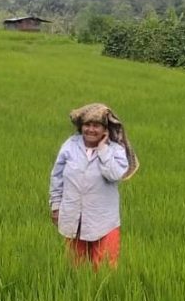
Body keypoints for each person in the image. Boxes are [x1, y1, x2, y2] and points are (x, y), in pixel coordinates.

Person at [49, 103, 138, 270]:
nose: (91, 129)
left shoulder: (115, 150)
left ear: (105, 129)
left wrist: (102, 149)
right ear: (81, 127)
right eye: (87, 125)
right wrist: (55, 207)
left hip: (104, 221)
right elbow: (57, 177)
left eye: (96, 125)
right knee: (75, 269)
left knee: (105, 269)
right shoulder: (70, 146)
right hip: (74, 217)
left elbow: (114, 174)